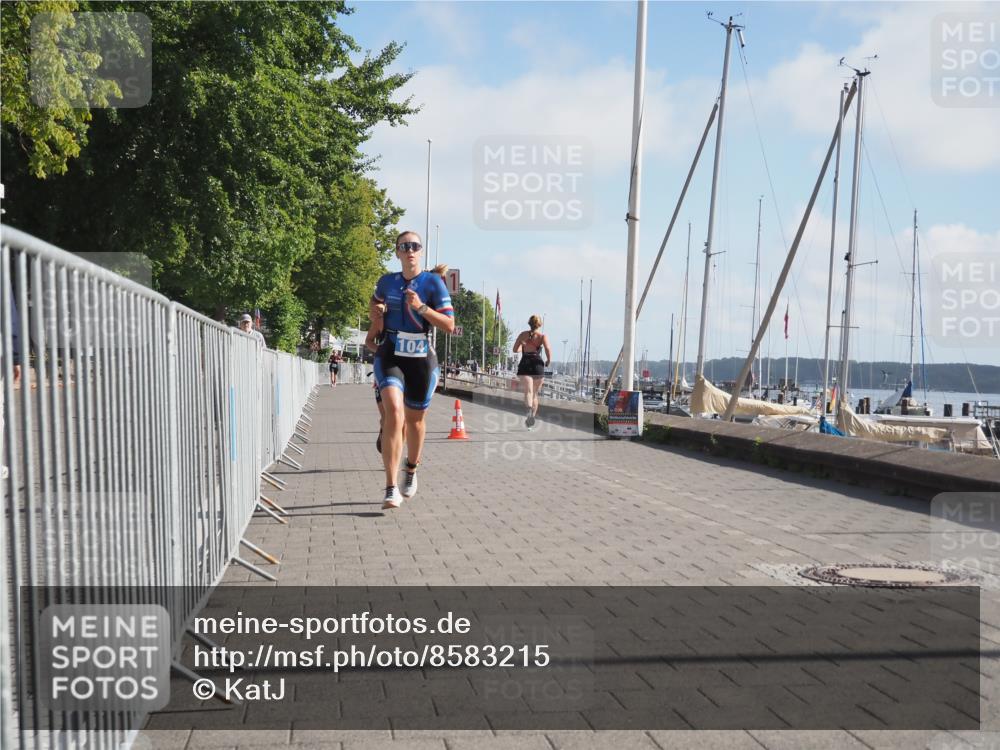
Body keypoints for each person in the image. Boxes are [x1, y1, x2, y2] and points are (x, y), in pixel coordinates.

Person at [369, 236, 454, 509]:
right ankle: (390, 487)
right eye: (404, 247)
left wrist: (421, 307)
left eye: (415, 246)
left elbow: (449, 325)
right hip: (391, 352)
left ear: (421, 251)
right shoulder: (387, 281)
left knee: (415, 421)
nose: (410, 251)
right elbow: (373, 308)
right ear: (397, 253)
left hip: (420, 358)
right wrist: (378, 312)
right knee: (394, 411)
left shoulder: (433, 283)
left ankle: (412, 469)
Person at [512, 315, 551, 429]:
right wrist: (548, 360)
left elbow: (515, 349)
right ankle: (532, 417)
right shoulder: (542, 336)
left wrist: (523, 348)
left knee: (528, 391)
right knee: (534, 394)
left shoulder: (522, 335)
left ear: (529, 323)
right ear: (539, 324)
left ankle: (529, 410)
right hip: (537, 364)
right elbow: (548, 349)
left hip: (525, 363)